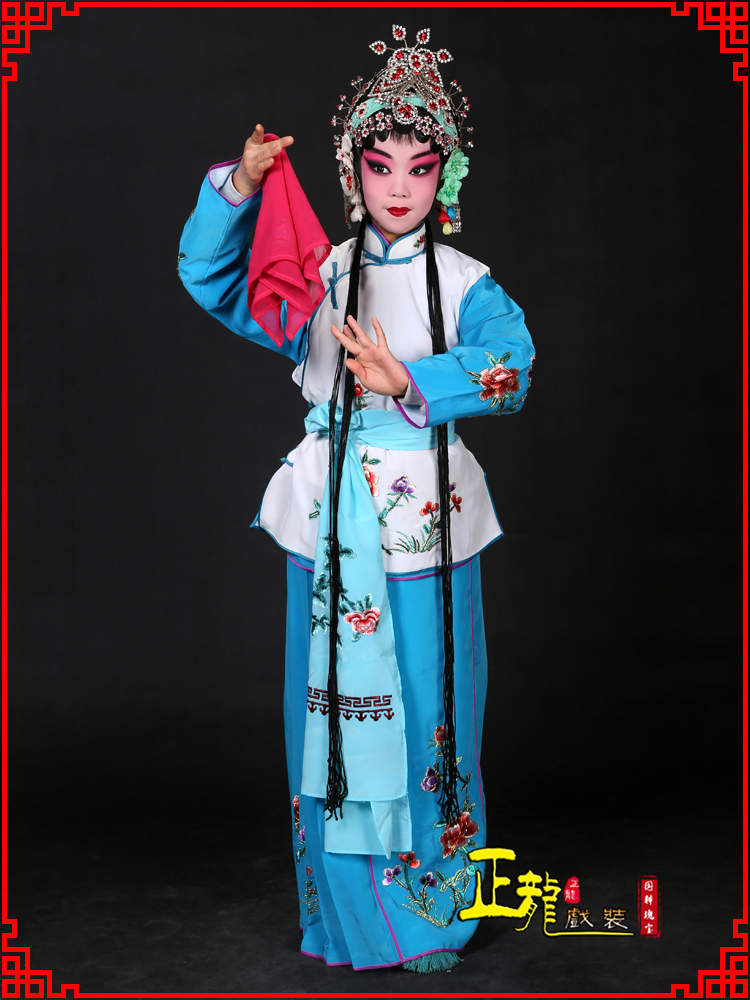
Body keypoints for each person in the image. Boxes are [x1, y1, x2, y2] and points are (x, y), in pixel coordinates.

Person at [178, 25, 535, 973]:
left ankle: (431, 914)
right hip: (332, 517)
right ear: (352, 173)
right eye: (381, 167)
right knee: (330, 716)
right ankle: (345, 916)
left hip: (427, 523)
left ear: (446, 175)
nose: (400, 187)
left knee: (430, 706)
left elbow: (511, 369)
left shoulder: (466, 283)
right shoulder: (319, 271)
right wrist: (242, 186)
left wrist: (410, 380)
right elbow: (211, 279)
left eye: (421, 167)